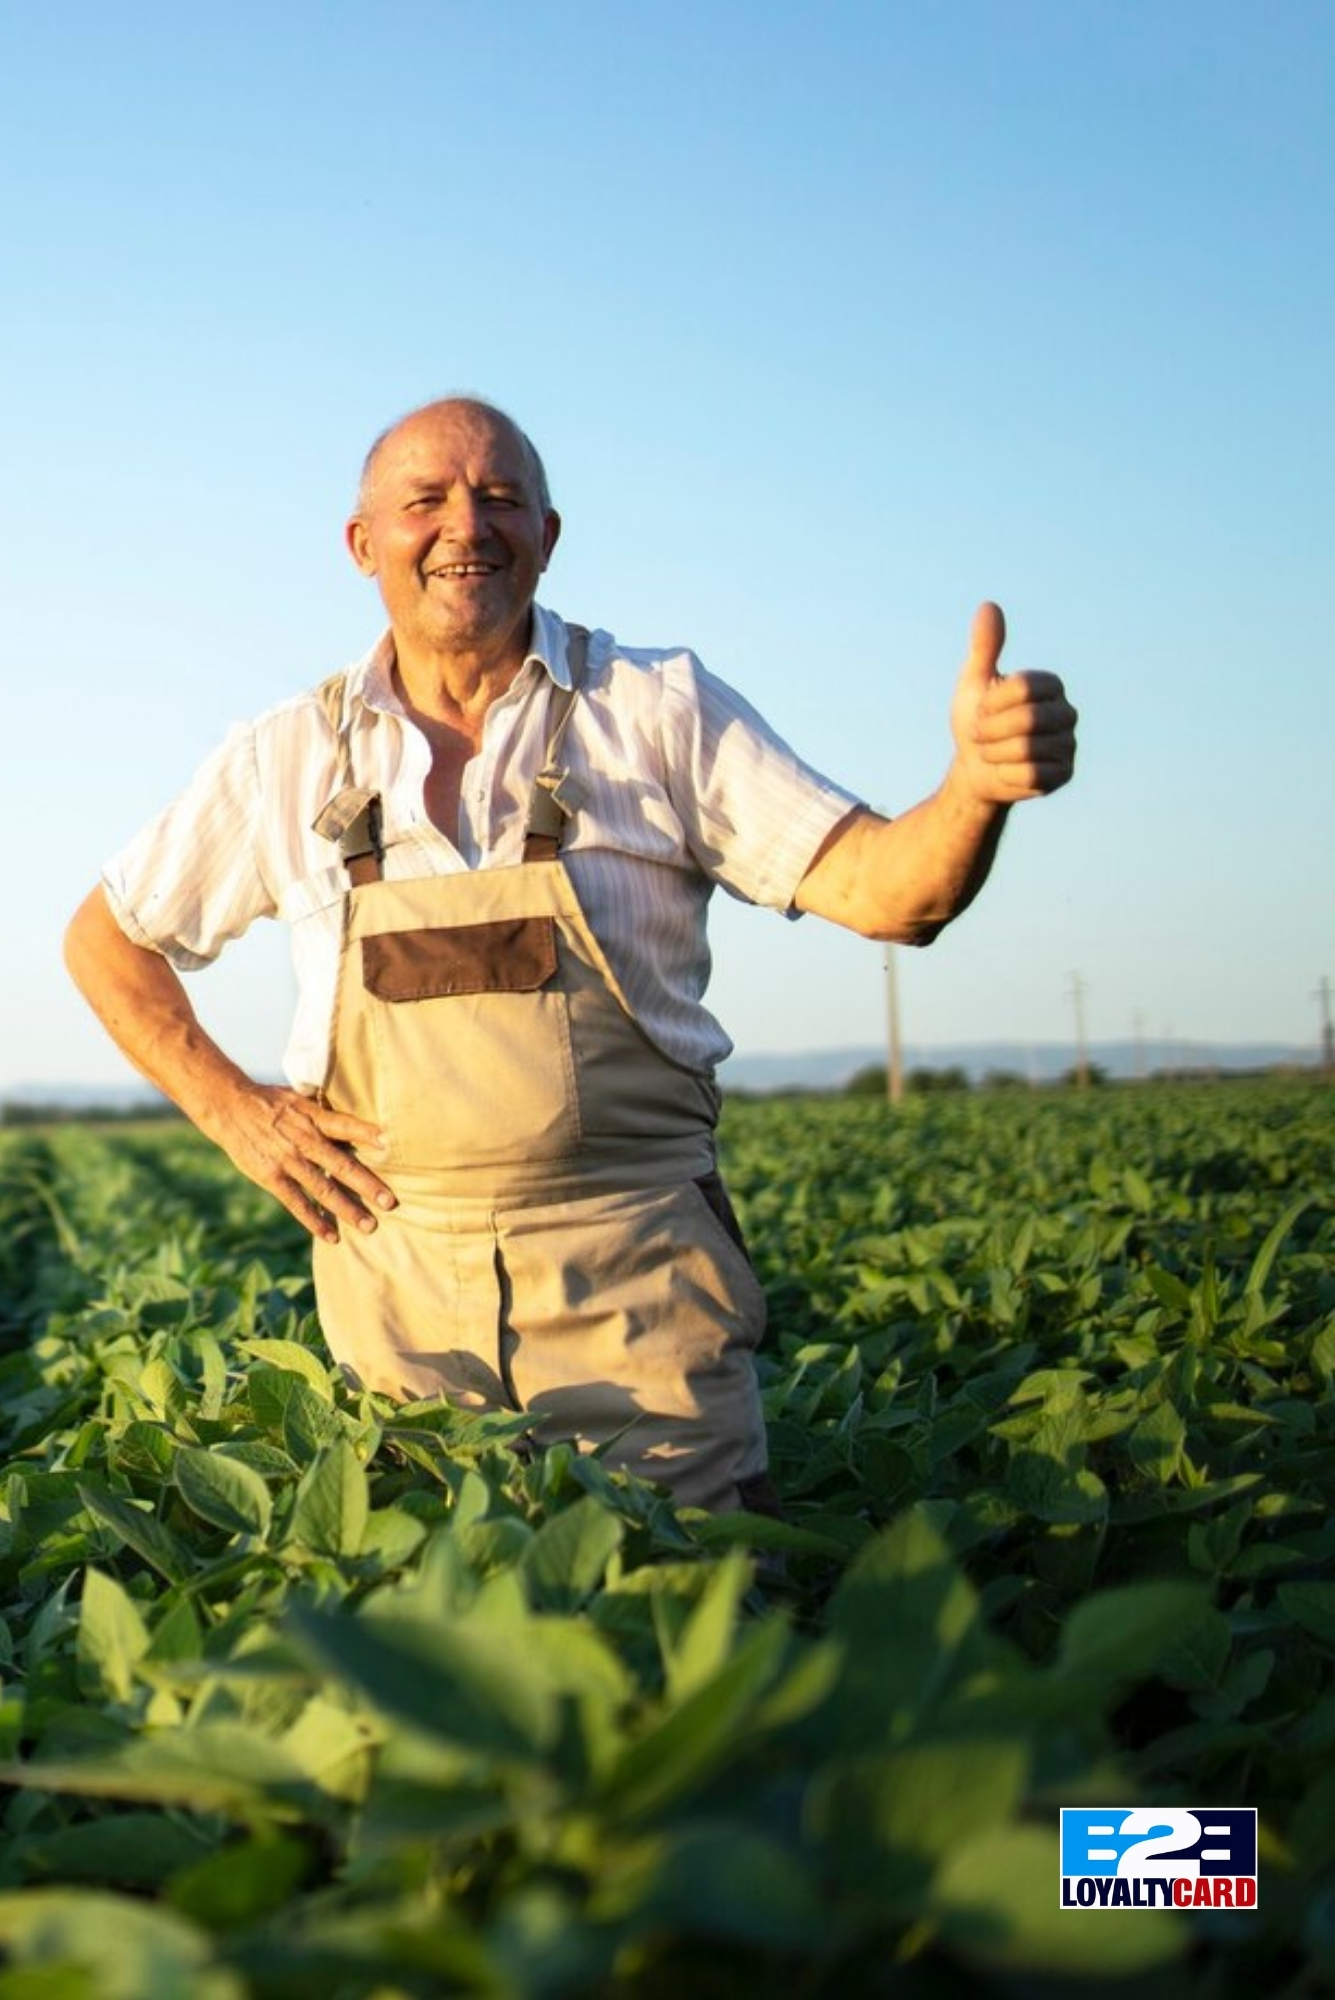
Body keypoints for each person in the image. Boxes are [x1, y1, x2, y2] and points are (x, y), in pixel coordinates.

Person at [64, 396, 1077, 1514]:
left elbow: (895, 892)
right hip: (396, 1325)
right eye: (425, 501)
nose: (466, 524)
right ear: (363, 545)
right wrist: (232, 1110)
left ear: (547, 536)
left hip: (641, 1310)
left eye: (501, 498)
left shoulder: (655, 710)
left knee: (696, 1638)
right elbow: (108, 938)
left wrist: (976, 791)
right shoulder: (290, 755)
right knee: (434, 1657)